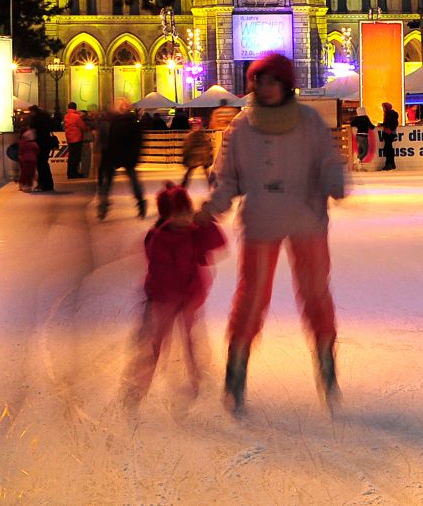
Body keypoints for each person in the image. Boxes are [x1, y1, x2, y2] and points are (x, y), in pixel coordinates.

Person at [204, 52, 349, 414]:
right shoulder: (241, 127)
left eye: (272, 81)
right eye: (260, 81)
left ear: (286, 84)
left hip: (305, 217)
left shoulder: (309, 122)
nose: (265, 88)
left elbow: (327, 160)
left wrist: (335, 181)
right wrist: (211, 207)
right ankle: (236, 366)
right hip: (262, 220)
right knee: (252, 295)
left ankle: (325, 359)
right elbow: (227, 178)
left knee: (315, 290)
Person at [125, 184, 226, 404]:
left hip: (189, 297)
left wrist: (207, 222)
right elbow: (160, 271)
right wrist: (163, 298)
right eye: (178, 213)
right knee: (156, 341)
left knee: (190, 340)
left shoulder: (194, 234)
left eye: (187, 211)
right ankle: (138, 384)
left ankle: (194, 379)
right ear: (166, 217)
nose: (184, 217)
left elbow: (218, 243)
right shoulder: (158, 238)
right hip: (165, 299)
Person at [99, 99, 146, 220]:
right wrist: (135, 155)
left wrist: (106, 156)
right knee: (133, 181)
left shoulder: (113, 122)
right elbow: (138, 140)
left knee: (108, 182)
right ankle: (140, 203)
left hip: (113, 155)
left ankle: (103, 205)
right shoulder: (132, 121)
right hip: (127, 156)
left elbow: (108, 140)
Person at [28, 104, 58, 191]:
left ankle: (42, 184)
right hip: (47, 142)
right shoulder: (46, 117)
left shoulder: (35, 119)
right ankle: (48, 184)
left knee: (40, 164)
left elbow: (32, 129)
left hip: (39, 143)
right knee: (44, 163)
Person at [63, 102, 89, 178]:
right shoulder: (76, 117)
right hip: (76, 138)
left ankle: (70, 173)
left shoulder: (66, 116)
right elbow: (82, 126)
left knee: (71, 157)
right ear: (75, 107)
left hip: (69, 138)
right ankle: (74, 173)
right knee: (76, 157)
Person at [15, 118, 40, 192]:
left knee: (24, 172)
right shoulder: (33, 144)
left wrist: (20, 156)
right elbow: (37, 150)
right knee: (30, 173)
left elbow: (21, 150)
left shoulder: (22, 143)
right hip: (32, 159)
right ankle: (29, 184)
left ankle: (22, 184)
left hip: (24, 159)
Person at [377, 102, 399, 171]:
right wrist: (382, 124)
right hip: (389, 132)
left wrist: (390, 129)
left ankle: (389, 164)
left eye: (383, 107)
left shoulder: (389, 114)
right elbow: (389, 123)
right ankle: (391, 164)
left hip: (389, 133)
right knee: (388, 148)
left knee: (388, 148)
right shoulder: (390, 114)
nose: (383, 109)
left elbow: (394, 123)